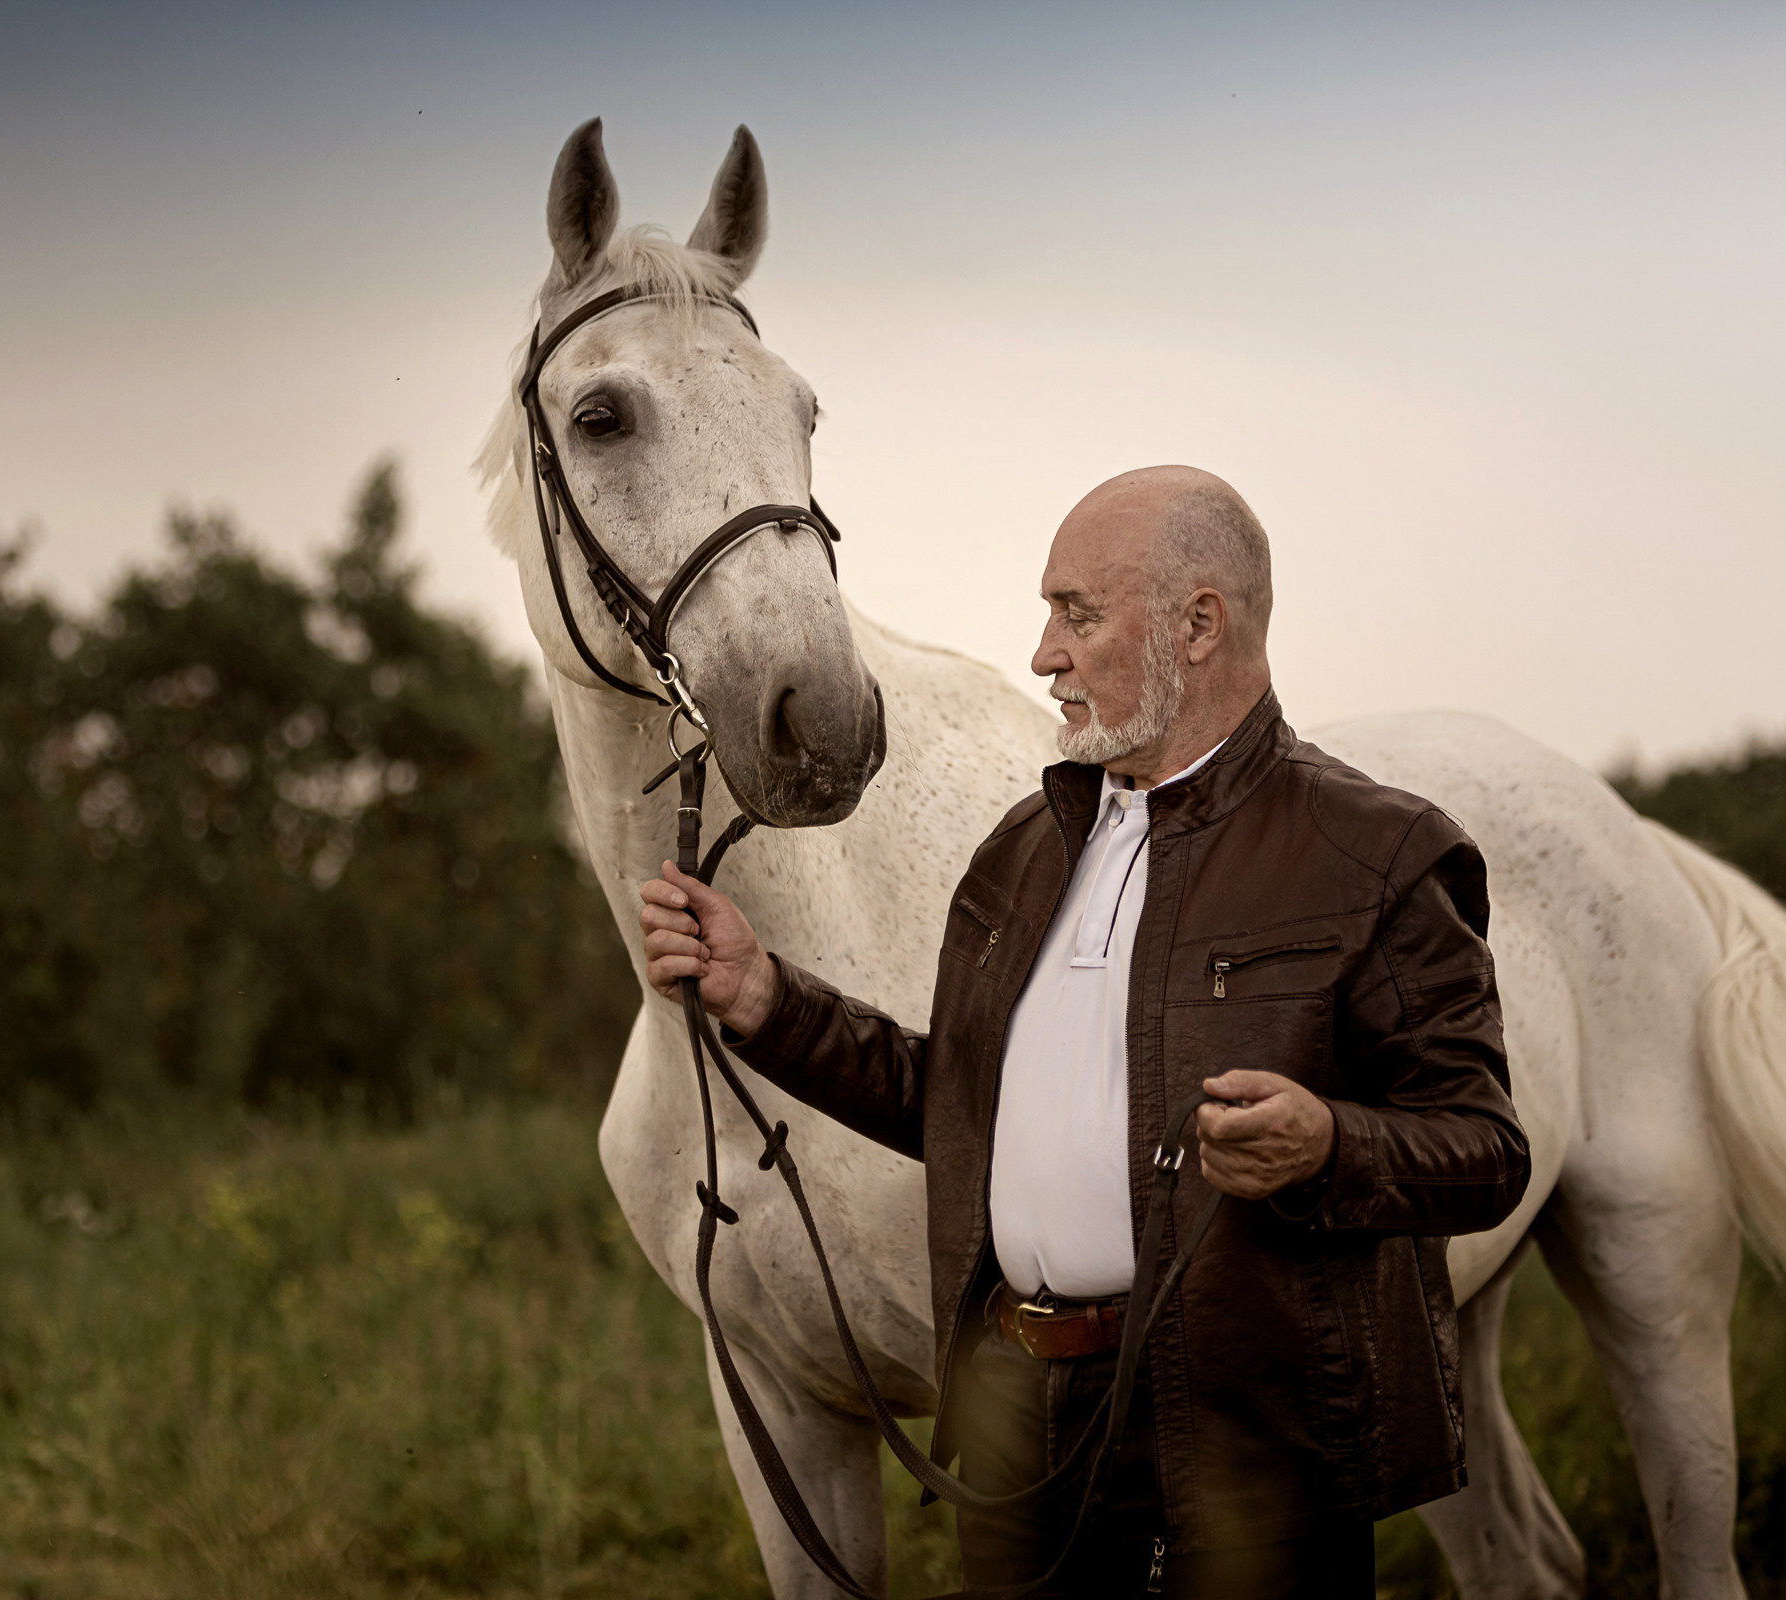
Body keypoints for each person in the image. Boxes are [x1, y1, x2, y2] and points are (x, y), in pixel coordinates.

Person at [639, 466, 1530, 1597]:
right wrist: (768, 997)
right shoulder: (1026, 849)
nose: (1043, 653)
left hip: (1247, 1440)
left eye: (1078, 612)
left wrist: (1331, 1146)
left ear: (1199, 624)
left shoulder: (1380, 854)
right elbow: (962, 1110)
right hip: (1017, 1422)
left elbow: (1485, 1152)